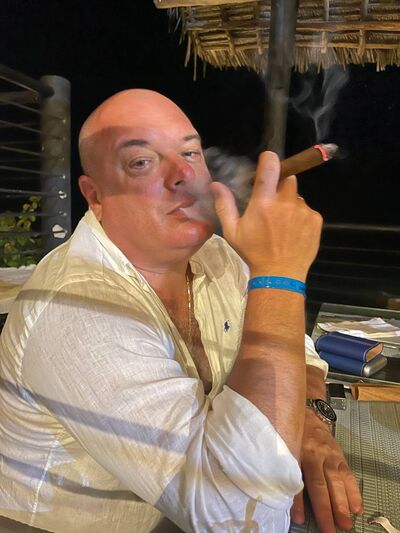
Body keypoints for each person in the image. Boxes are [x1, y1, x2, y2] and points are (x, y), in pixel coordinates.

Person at [0, 89, 362, 533]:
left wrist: (307, 416)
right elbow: (240, 516)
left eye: (190, 152)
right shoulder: (75, 308)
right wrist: (280, 275)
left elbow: (291, 344)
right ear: (96, 195)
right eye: (141, 162)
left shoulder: (218, 255)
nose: (183, 174)